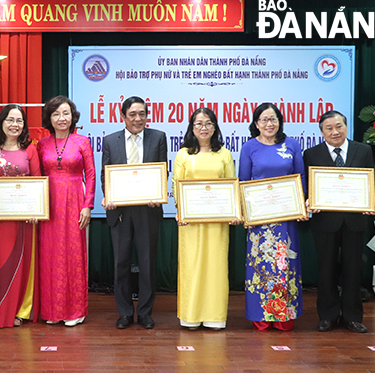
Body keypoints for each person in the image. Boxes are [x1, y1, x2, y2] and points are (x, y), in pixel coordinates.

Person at [303, 110, 375, 333]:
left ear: (346, 127)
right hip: (325, 220)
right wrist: (309, 200)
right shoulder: (311, 154)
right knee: (326, 269)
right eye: (329, 128)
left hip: (355, 220)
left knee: (353, 269)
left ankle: (353, 317)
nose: (335, 131)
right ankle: (328, 316)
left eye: (339, 126)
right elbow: (308, 186)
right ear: (322, 132)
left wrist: (372, 200)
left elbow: (371, 181)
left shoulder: (363, 150)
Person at [239, 102, 306, 331]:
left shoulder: (292, 145)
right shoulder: (249, 148)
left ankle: (284, 316)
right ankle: (261, 315)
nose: (270, 123)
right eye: (264, 119)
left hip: (287, 220)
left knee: (285, 264)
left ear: (280, 121)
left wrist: (302, 206)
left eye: (274, 119)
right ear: (256, 123)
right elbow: (243, 183)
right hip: (260, 222)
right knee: (262, 267)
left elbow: (301, 179)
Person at [101, 96, 167, 329]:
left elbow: (162, 171)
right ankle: (125, 312)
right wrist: (108, 196)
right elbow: (105, 174)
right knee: (121, 264)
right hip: (120, 211)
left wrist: (157, 195)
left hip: (147, 211)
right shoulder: (110, 141)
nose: (138, 119)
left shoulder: (158, 137)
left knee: (148, 263)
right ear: (123, 117)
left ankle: (146, 312)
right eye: (133, 114)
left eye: (142, 114)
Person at [172, 108, 239, 330]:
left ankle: (214, 315)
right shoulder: (183, 154)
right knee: (192, 266)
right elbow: (176, 184)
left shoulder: (224, 154)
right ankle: (190, 316)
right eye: (199, 123)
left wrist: (234, 211)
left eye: (208, 123)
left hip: (217, 223)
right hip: (190, 223)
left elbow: (232, 184)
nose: (204, 128)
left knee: (216, 266)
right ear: (192, 127)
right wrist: (180, 209)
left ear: (215, 127)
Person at [37, 96, 95, 327]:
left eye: (66, 114)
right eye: (56, 114)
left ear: (73, 117)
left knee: (73, 254)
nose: (61, 119)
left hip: (74, 200)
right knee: (49, 255)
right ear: (49, 118)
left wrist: (87, 206)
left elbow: (90, 175)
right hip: (49, 204)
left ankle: (74, 310)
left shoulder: (82, 141)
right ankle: (52, 310)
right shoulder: (41, 144)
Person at [0, 104, 41, 328]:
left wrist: (37, 210)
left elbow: (38, 181)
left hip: (23, 220)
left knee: (19, 265)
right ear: (1, 122)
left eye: (19, 120)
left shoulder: (30, 150)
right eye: (10, 119)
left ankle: (19, 311)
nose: (14, 124)